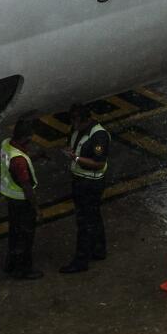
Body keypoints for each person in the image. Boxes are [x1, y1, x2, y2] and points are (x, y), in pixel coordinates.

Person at [60, 104, 110, 274]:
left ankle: (81, 260)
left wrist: (76, 158)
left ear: (85, 120)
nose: (74, 126)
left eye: (76, 122)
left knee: (85, 222)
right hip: (80, 180)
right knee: (93, 216)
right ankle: (98, 249)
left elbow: (98, 163)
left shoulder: (99, 136)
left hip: (90, 183)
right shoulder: (77, 131)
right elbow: (73, 146)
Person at [0, 117, 43, 280]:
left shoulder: (6, 144)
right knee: (25, 237)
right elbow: (26, 187)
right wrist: (37, 209)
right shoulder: (19, 161)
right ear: (26, 137)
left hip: (11, 199)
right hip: (22, 202)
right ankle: (24, 269)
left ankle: (10, 264)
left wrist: (35, 156)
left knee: (14, 233)